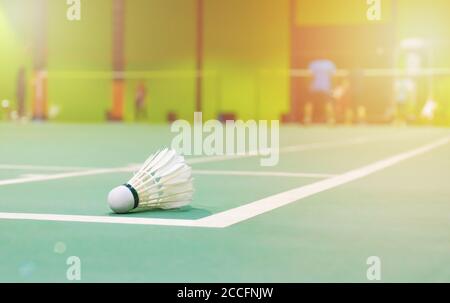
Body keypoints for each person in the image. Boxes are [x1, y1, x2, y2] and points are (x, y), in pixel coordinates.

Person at [306, 59, 336, 124]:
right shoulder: (330, 64)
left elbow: (310, 76)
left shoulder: (313, 63)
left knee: (310, 103)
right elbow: (333, 76)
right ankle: (330, 120)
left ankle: (307, 119)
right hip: (326, 87)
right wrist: (332, 88)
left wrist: (309, 86)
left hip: (314, 87)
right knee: (328, 103)